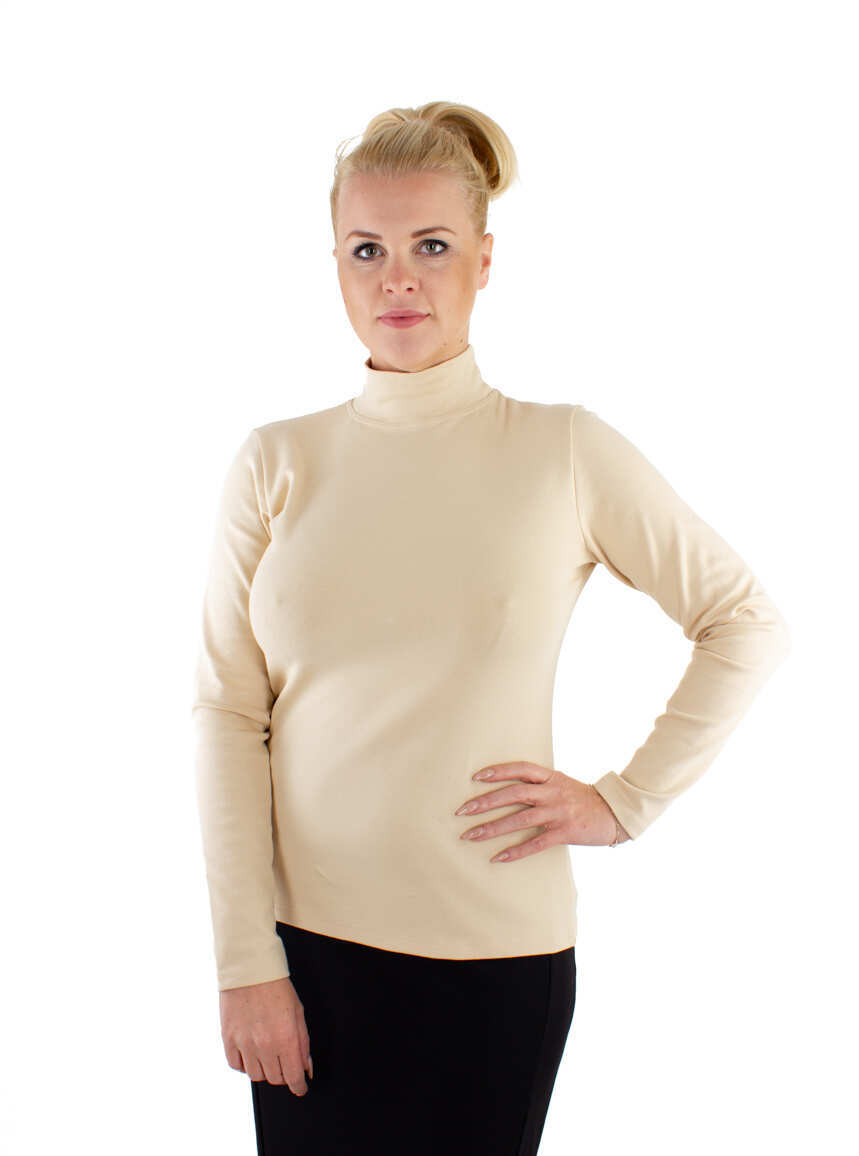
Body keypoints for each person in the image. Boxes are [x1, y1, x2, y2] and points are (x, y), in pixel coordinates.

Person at [191, 101, 791, 1155]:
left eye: (430, 246)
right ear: (335, 266)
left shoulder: (562, 452)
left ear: (483, 260)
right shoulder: (276, 461)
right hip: (304, 960)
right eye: (366, 250)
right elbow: (228, 715)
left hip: (494, 967)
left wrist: (625, 801)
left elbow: (743, 620)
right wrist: (246, 961)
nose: (397, 279)